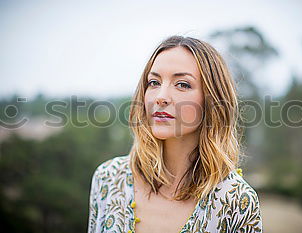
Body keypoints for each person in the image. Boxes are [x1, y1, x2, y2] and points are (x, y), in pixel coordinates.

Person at [87, 35, 263, 233]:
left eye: (182, 84)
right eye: (154, 82)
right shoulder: (109, 179)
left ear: (212, 101)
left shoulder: (236, 200)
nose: (161, 97)